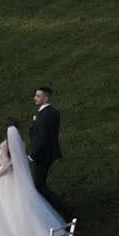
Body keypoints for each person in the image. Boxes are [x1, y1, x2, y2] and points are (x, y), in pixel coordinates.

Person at [0, 118, 66, 236]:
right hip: (16, 177)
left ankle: (7, 230)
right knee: (19, 204)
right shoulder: (20, 143)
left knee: (6, 206)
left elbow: (7, 164)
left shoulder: (4, 145)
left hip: (6, 177)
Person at [28, 86, 71, 218]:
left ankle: (64, 209)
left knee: (38, 185)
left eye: (38, 96)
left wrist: (32, 155)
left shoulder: (46, 114)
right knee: (39, 184)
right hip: (46, 154)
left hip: (43, 155)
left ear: (46, 98)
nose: (35, 98)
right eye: (35, 95)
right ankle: (57, 209)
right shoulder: (49, 112)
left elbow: (43, 138)